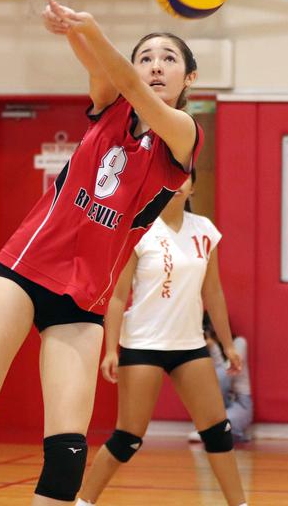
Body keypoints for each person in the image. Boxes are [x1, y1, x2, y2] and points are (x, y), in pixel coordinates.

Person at [0, 0, 203, 506]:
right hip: (25, 268)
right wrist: (71, 29)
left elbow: (131, 85)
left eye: (169, 58)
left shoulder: (183, 134)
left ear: (189, 78)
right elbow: (104, 72)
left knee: (67, 456)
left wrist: (93, 28)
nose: (155, 64)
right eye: (146, 56)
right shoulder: (111, 103)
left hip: (83, 299)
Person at [75, 174, 248, 506]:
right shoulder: (140, 230)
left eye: (186, 179)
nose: (179, 183)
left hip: (189, 346)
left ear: (193, 187)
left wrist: (227, 345)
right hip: (143, 345)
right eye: (173, 178)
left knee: (218, 432)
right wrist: (110, 349)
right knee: (127, 439)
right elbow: (117, 296)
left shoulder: (204, 231)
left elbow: (213, 292)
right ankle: (83, 502)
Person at [194, 314, 253, 444]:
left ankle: (231, 429)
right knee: (212, 427)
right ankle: (220, 429)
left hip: (239, 402)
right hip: (217, 405)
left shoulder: (239, 343)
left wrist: (214, 349)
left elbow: (225, 376)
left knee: (219, 427)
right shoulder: (205, 349)